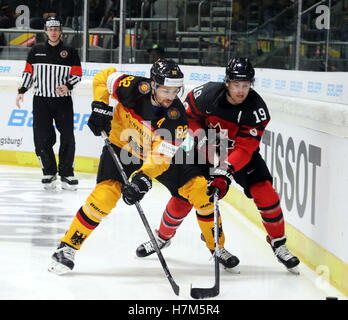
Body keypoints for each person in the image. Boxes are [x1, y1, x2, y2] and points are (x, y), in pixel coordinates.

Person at [48, 58, 239, 275]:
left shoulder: (176, 119)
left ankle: (217, 247)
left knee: (200, 191)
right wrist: (100, 105)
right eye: (166, 90)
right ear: (153, 85)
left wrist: (143, 178)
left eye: (175, 91)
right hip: (123, 148)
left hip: (158, 157)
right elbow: (103, 77)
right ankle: (67, 246)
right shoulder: (132, 87)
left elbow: (161, 157)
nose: (170, 97)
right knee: (104, 197)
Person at [136, 57, 300, 274]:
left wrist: (225, 170)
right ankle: (162, 237)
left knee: (266, 193)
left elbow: (245, 147)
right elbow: (189, 118)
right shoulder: (207, 94)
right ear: (227, 82)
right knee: (184, 198)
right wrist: (202, 139)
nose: (241, 91)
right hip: (206, 150)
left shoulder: (257, 109)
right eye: (236, 85)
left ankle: (278, 243)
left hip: (240, 156)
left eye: (245, 85)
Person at [16, 16, 82, 191]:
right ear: (45, 31)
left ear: (61, 31)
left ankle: (67, 174)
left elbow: (77, 75)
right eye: (50, 29)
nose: (53, 32)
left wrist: (67, 86)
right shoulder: (35, 50)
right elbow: (28, 73)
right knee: (42, 137)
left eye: (56, 29)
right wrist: (22, 91)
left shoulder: (70, 52)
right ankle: (49, 172)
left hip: (63, 102)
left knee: (67, 137)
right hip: (41, 101)